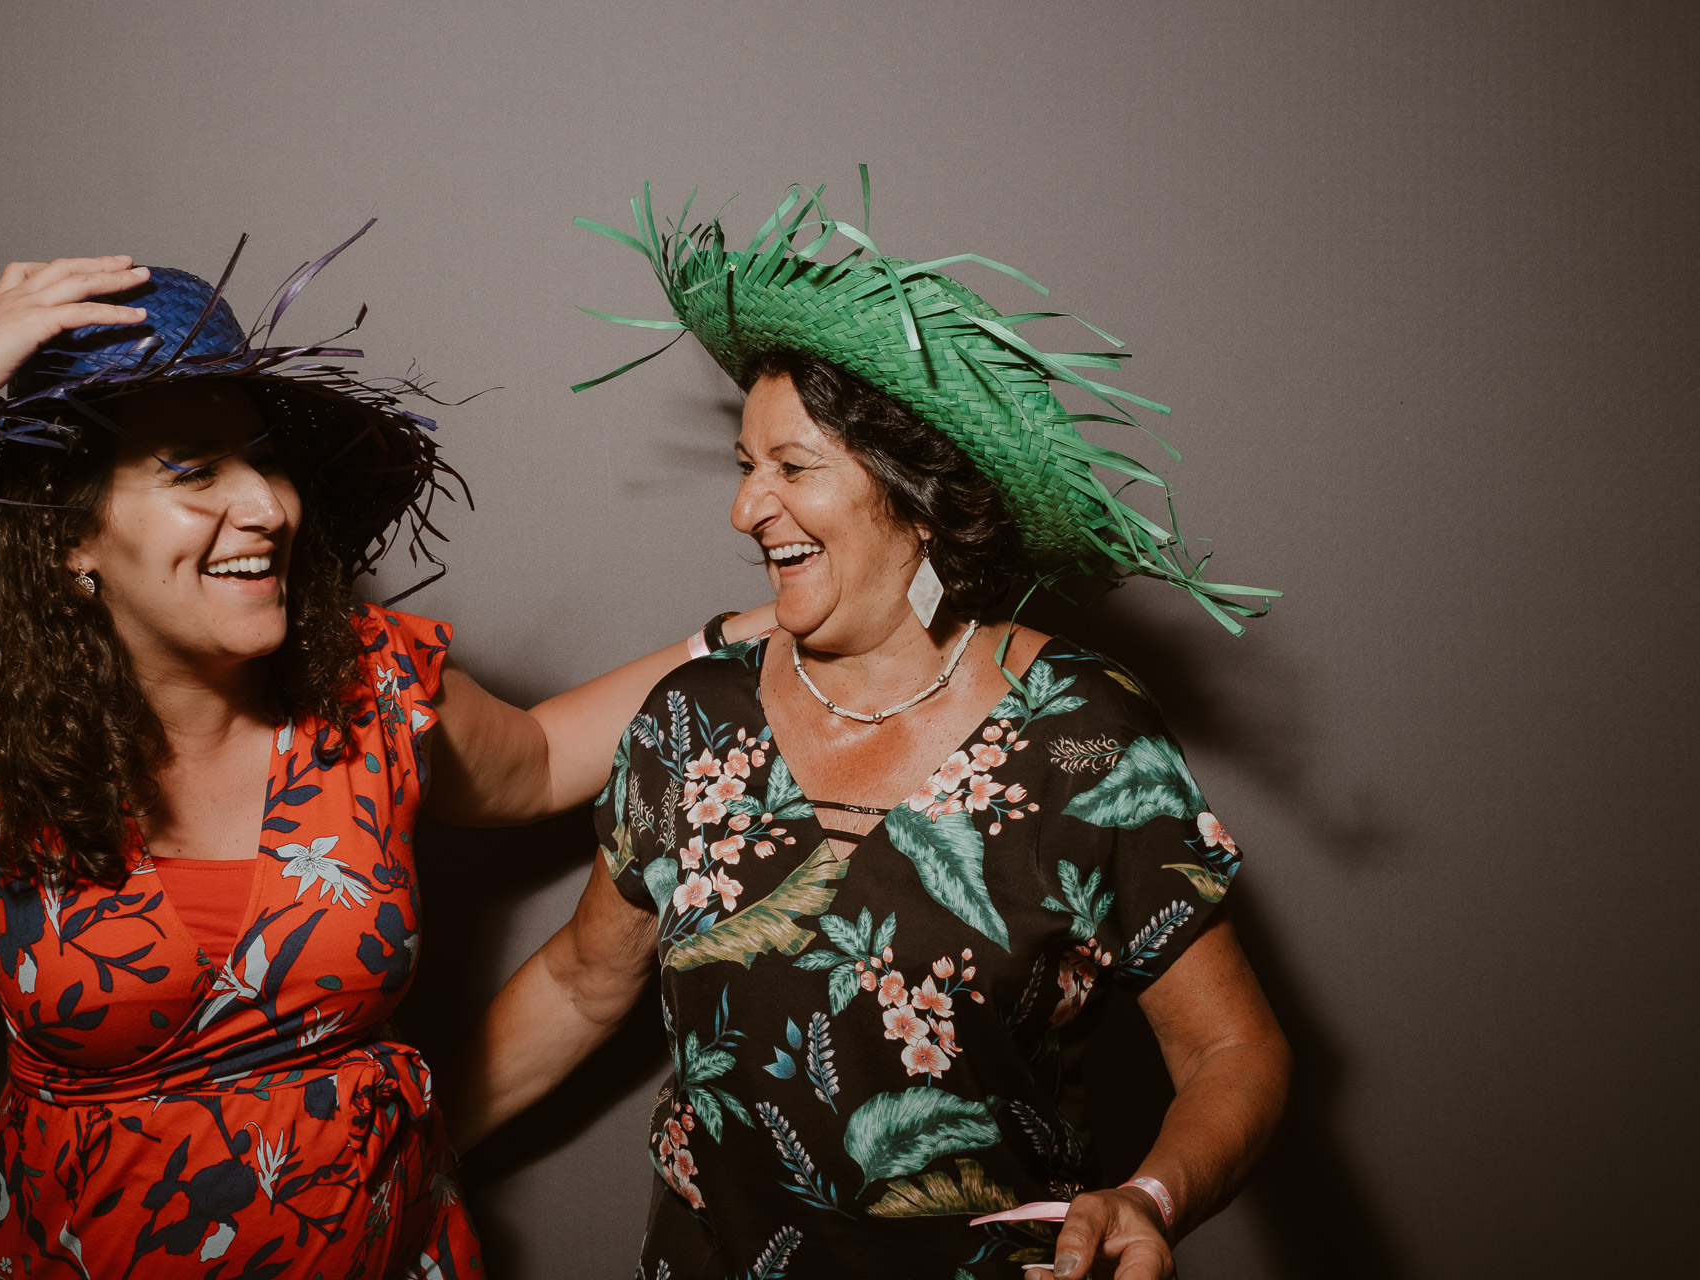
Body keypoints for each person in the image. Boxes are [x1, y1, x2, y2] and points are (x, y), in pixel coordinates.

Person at [0, 236, 770, 1279]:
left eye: (263, 463)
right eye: (193, 469)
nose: (265, 505)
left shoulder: (371, 682)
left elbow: (535, 754)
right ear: (70, 535)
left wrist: (736, 636)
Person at [450, 179, 1291, 1280]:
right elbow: (577, 981)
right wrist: (390, 1152)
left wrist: (1147, 1196)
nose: (746, 508)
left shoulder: (1084, 742)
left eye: (792, 468)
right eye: (745, 467)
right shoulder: (693, 719)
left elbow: (1234, 1047)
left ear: (921, 497)